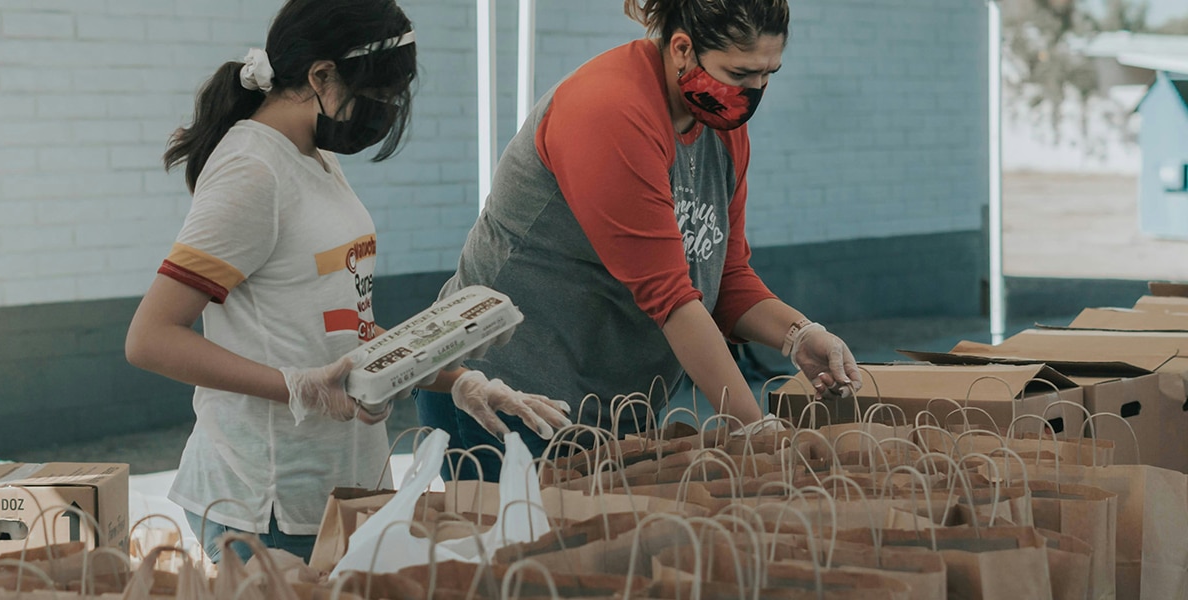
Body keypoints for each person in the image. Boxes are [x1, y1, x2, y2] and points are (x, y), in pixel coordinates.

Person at [125, 0, 568, 563]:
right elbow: (151, 338)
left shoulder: (311, 156)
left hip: (341, 486)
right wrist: (296, 385)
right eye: (378, 96)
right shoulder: (252, 171)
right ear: (321, 76)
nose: (384, 112)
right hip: (269, 502)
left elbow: (342, 322)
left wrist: (452, 377)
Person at [417, 0, 864, 482]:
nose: (754, 92)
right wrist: (755, 430)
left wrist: (798, 334)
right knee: (522, 548)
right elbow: (670, 297)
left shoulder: (720, 126)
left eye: (768, 74)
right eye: (741, 73)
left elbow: (724, 275)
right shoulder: (609, 110)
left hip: (608, 405)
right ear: (682, 49)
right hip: (509, 394)